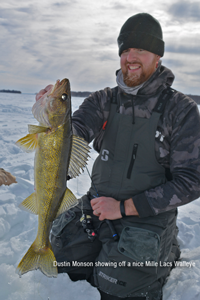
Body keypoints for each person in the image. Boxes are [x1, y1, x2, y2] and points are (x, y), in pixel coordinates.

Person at [37, 13, 200, 300]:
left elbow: (192, 181)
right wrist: (48, 115)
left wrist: (124, 208)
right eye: (125, 50)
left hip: (146, 214)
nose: (131, 57)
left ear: (157, 57)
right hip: (98, 205)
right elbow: (72, 136)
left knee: (116, 285)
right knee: (63, 261)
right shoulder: (102, 100)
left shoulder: (181, 110)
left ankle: (166, 249)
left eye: (140, 49)